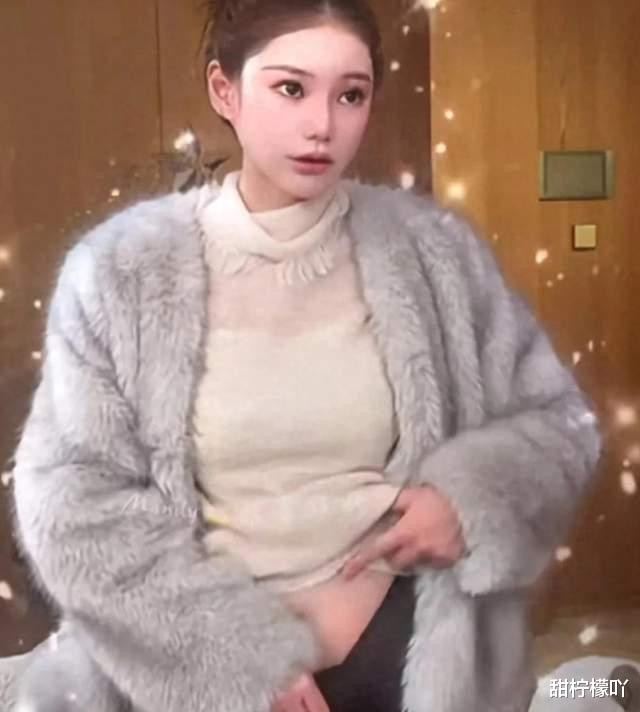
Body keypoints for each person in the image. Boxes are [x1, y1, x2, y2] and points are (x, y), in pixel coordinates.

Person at [9, 0, 602, 711]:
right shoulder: (121, 272)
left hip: (415, 652)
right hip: (201, 670)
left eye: (350, 95)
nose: (322, 124)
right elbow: (69, 502)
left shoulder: (435, 254)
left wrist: (471, 498)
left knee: (590, 687)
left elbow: (560, 423)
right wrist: (230, 661)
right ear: (225, 91)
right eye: (291, 88)